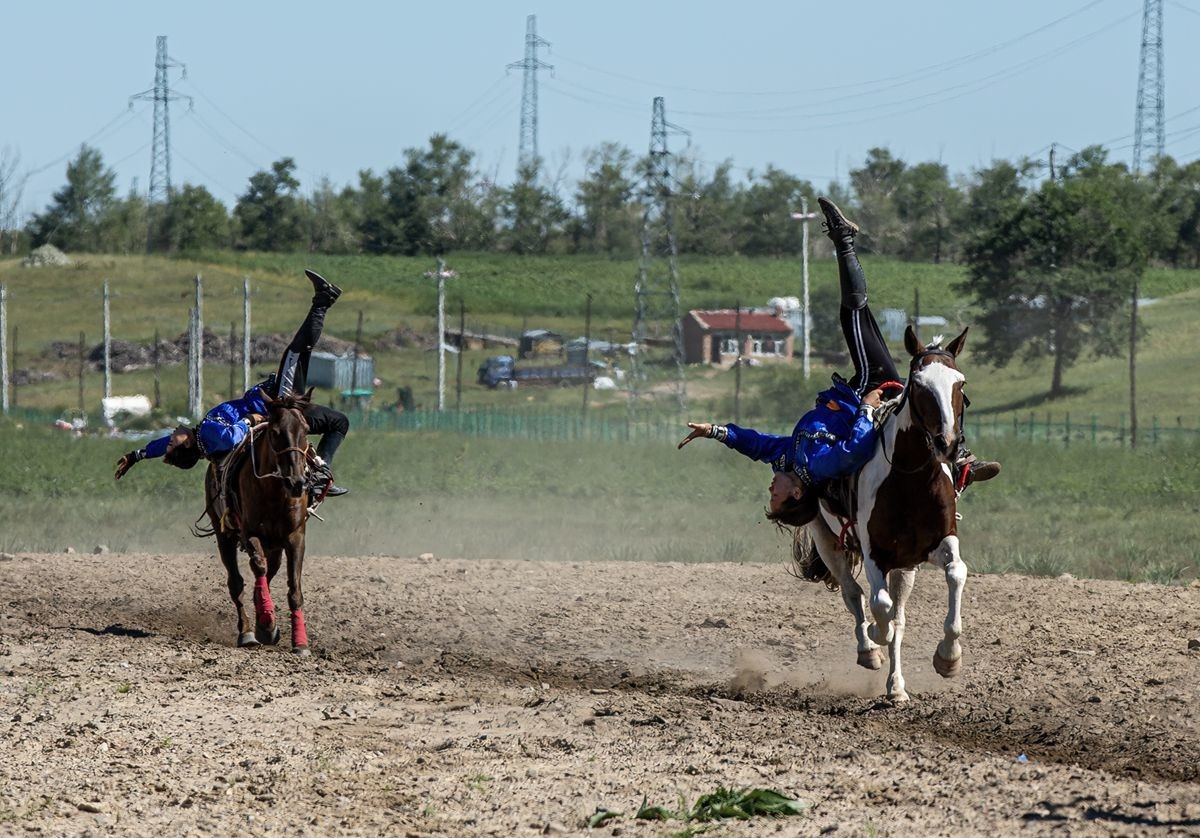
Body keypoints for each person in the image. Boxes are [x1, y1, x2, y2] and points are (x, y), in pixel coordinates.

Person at [678, 197, 1000, 527]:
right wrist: (865, 407)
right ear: (797, 495)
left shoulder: (790, 458)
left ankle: (960, 458)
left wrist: (714, 432)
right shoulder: (817, 467)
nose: (771, 488)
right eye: (776, 496)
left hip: (858, 393)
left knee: (855, 314)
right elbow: (853, 451)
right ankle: (843, 240)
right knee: (853, 315)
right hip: (867, 392)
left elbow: (755, 444)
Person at [114, 269, 350, 498]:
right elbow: (230, 438)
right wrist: (248, 420)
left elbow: (162, 444)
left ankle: (321, 473)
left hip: (273, 405)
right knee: (295, 352)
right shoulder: (209, 434)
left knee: (338, 422)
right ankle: (323, 299)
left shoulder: (200, 436)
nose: (172, 434)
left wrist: (137, 455)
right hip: (276, 403)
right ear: (185, 447)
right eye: (172, 443)